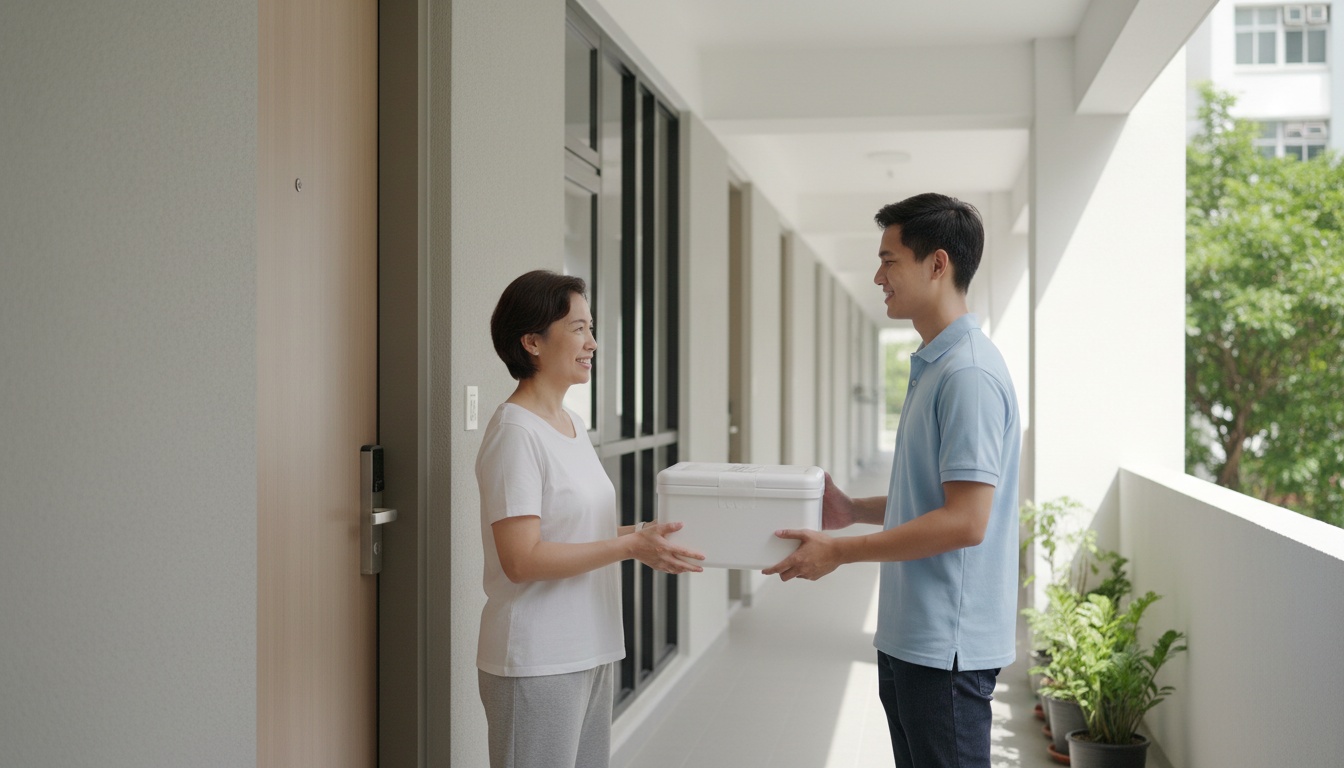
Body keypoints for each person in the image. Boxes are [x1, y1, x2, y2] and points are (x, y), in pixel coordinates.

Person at [763, 193, 1021, 768]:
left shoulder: (969, 374)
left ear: (938, 263)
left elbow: (966, 521)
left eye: (889, 259)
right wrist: (851, 508)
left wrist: (840, 551)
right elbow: (930, 498)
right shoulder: (936, 363)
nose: (878, 276)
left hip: (945, 651)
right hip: (911, 638)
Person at [475, 269, 703, 768]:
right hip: (537, 658)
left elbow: (579, 531)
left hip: (591, 645)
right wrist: (628, 547)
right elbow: (521, 559)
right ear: (532, 341)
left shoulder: (572, 425)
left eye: (591, 327)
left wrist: (644, 535)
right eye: (577, 328)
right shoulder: (515, 433)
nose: (593, 342)